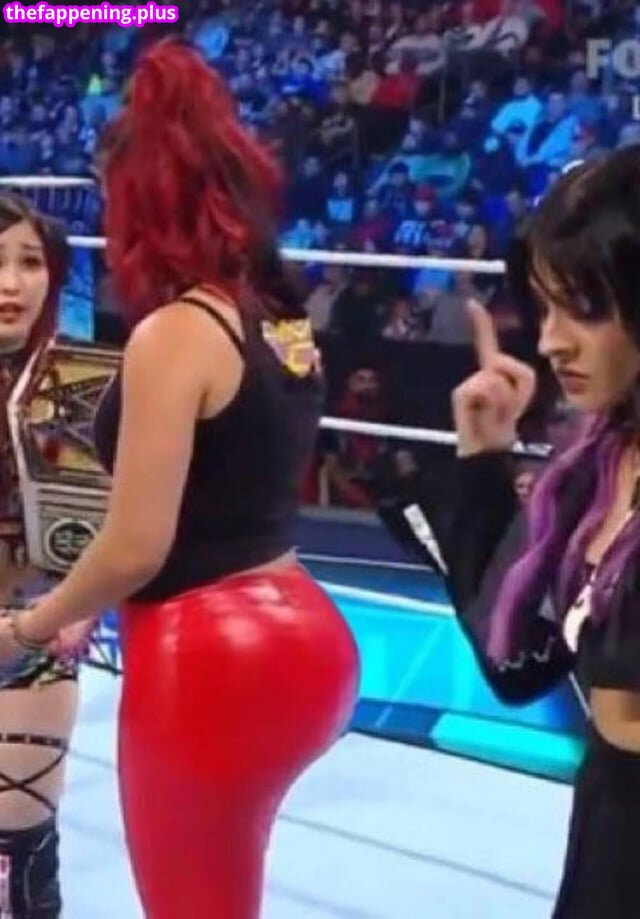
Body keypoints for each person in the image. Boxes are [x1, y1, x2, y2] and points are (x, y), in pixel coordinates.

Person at [0, 39, 360, 919]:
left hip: (211, 647)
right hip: (298, 625)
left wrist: (29, 625)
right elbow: (222, 491)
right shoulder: (275, 317)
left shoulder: (175, 332)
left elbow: (137, 542)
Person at [375, 145, 640, 917]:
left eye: (583, 308)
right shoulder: (598, 465)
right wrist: (483, 458)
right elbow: (519, 663)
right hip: (608, 835)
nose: (552, 341)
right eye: (545, 309)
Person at [0, 193, 93, 917]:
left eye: (30, 262)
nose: (11, 282)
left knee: (20, 859)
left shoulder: (70, 387)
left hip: (26, 640)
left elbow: (90, 538)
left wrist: (72, 611)